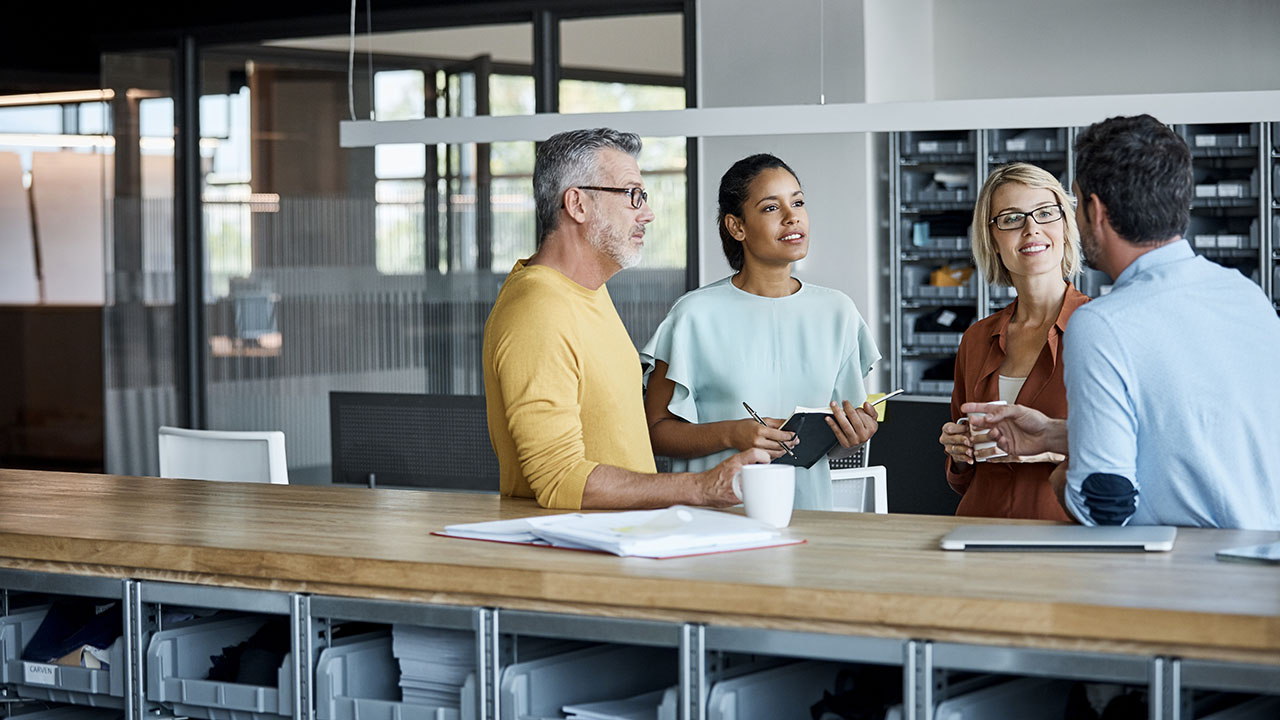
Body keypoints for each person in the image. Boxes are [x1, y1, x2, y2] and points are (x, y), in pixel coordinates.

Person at [964, 114, 1280, 530]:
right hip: (1261, 557)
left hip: (1178, 562)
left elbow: (1104, 507)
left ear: (1094, 211)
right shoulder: (1246, 296)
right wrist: (1055, 434)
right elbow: (1189, 432)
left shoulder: (1102, 324)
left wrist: (1063, 479)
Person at [482, 128, 767, 510]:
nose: (647, 214)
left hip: (624, 537)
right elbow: (559, 480)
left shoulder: (587, 291)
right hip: (579, 546)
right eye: (633, 195)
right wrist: (701, 487)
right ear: (578, 204)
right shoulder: (539, 309)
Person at [640, 154, 881, 511]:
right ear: (736, 227)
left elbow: (839, 438)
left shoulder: (839, 312)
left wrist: (855, 435)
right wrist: (731, 433)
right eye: (771, 207)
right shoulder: (692, 315)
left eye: (798, 202)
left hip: (808, 516)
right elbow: (654, 432)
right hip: (714, 520)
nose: (792, 216)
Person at [937, 163, 1087, 520]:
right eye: (1011, 218)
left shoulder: (1101, 330)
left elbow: (1138, 451)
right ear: (992, 239)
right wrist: (959, 453)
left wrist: (1049, 446)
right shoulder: (977, 339)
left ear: (1065, 226)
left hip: (1064, 535)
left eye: (1045, 213)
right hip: (978, 529)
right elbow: (962, 479)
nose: (1031, 228)